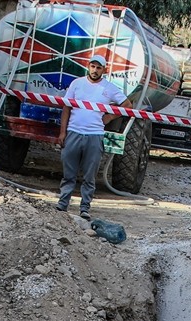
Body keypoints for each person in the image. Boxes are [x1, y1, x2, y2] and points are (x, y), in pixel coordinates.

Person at [56, 54, 130, 219]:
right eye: (93, 66)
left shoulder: (109, 88)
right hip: (74, 132)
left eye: (98, 68)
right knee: (69, 172)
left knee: (90, 175)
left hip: (94, 135)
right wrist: (63, 132)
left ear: (104, 69)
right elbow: (66, 108)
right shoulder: (77, 84)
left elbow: (126, 105)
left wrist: (108, 118)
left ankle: (84, 208)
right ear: (88, 66)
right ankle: (62, 205)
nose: (95, 70)